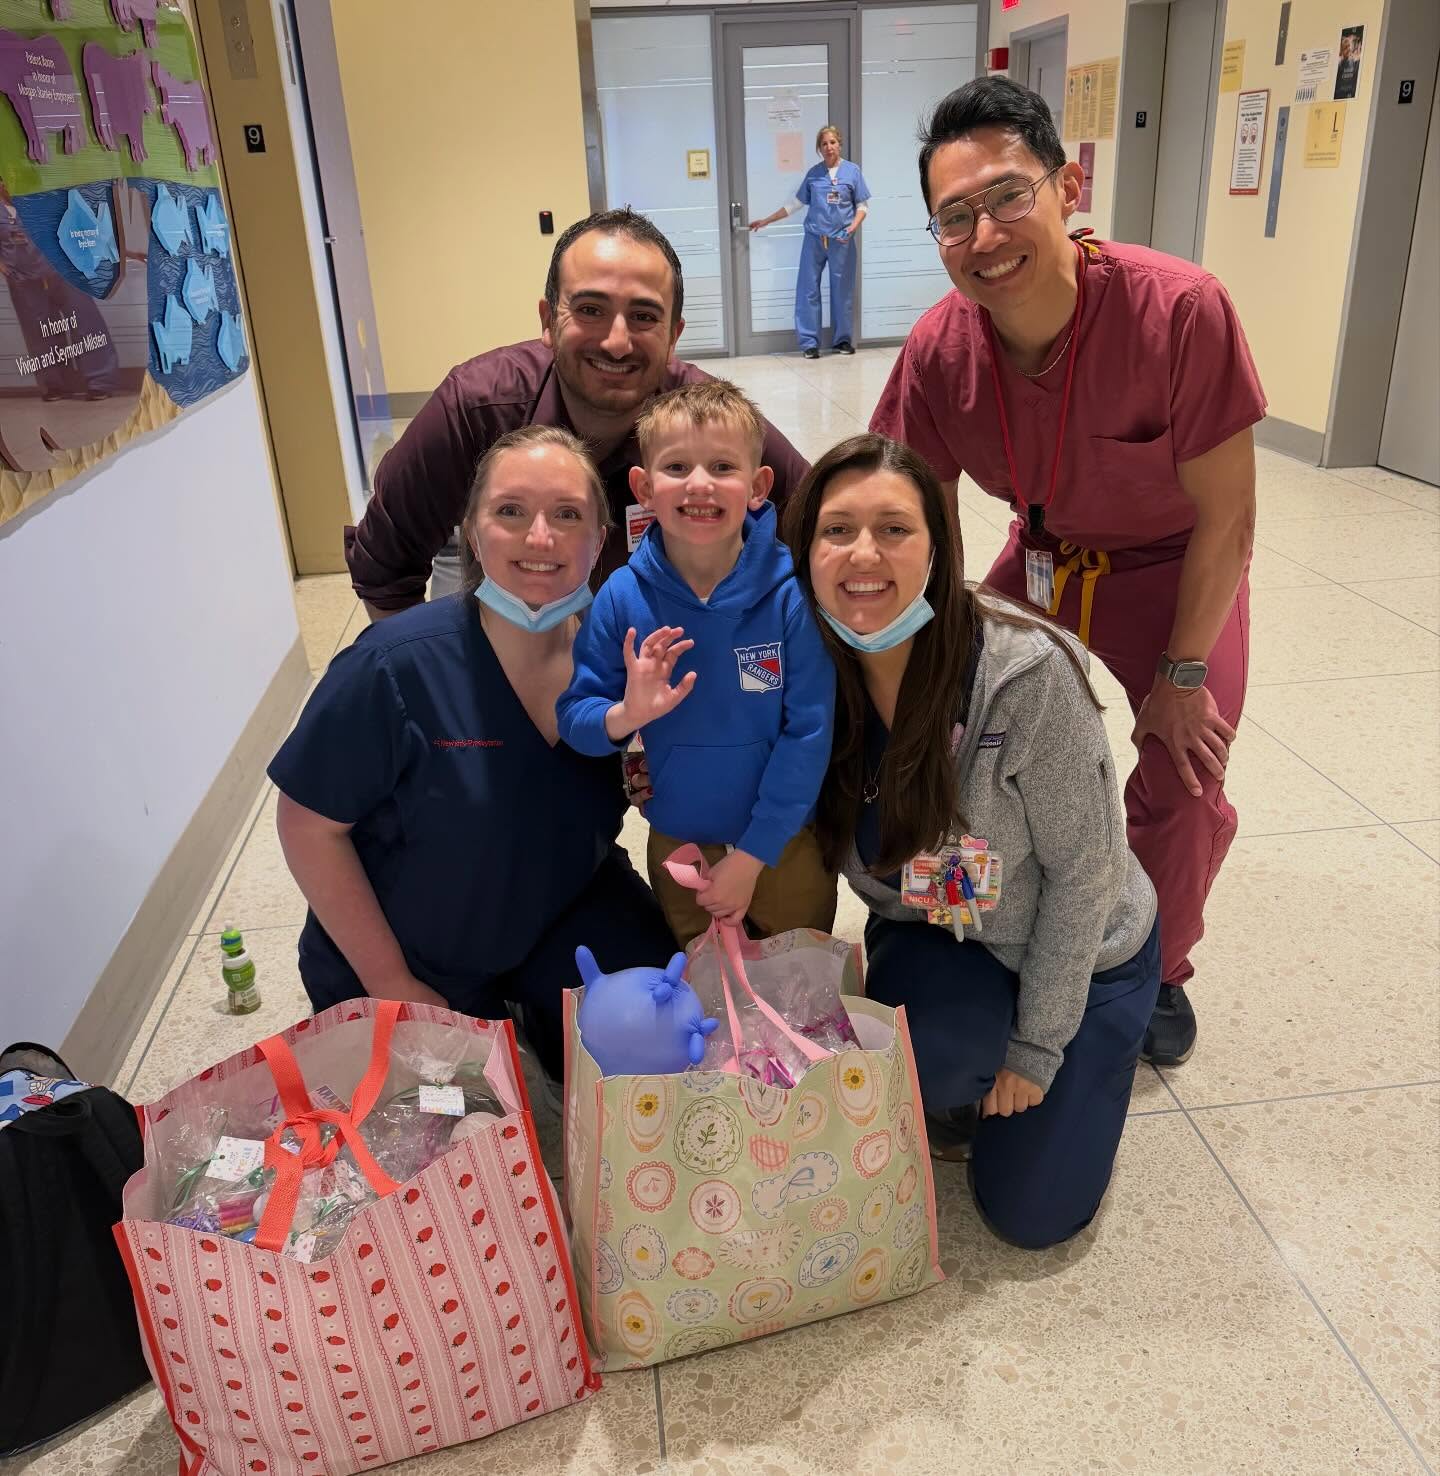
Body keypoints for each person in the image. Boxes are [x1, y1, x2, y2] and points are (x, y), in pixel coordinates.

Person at [870, 77, 1263, 1068]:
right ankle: (971, 924)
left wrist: (1179, 679)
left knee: (1182, 769)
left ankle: (1155, 965)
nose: (987, 234)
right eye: (955, 216)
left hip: (1178, 572)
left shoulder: (1181, 312)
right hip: (1040, 566)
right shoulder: (940, 348)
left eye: (1008, 196)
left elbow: (1229, 515)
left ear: (1067, 185)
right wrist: (927, 654)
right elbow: (911, 509)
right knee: (951, 743)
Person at [782, 432, 1160, 1245]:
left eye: (894, 528)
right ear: (804, 552)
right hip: (940, 930)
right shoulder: (809, 674)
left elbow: (1086, 878)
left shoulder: (1024, 676)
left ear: (939, 545)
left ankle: (1108, 1042)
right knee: (938, 1062)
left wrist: (1036, 1048)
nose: (863, 554)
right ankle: (968, 1067)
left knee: (1029, 1217)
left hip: (1083, 949)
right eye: (837, 529)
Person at [270, 424, 677, 1083]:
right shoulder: (395, 668)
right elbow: (307, 826)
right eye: (510, 512)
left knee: (661, 1027)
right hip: (413, 952)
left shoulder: (621, 662)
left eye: (567, 515)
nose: (540, 538)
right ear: (472, 531)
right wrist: (392, 981)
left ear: (600, 539)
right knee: (450, 1146)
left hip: (558, 904)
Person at [346, 208, 810, 613]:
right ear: (548, 320)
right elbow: (384, 568)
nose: (616, 341)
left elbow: (824, 521)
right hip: (509, 650)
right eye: (590, 309)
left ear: (674, 335)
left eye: (645, 316)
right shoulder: (476, 409)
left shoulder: (709, 424)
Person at [558, 380, 836, 946]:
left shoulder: (792, 598)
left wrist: (754, 855)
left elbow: (809, 732)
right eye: (677, 466)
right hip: (678, 843)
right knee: (703, 991)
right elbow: (576, 719)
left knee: (805, 992)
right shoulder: (619, 598)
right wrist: (624, 714)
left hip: (783, 843)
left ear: (759, 486)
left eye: (723, 467)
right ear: (644, 488)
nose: (700, 484)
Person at [750, 125, 871, 358]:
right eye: (824, 143)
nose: (829, 147)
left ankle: (842, 341)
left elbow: (862, 207)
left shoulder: (852, 172)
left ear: (840, 144)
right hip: (815, 239)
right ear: (819, 148)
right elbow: (794, 205)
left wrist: (852, 229)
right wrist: (766, 220)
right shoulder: (814, 174)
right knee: (808, 290)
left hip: (842, 241)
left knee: (842, 291)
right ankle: (809, 343)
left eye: (833, 142)